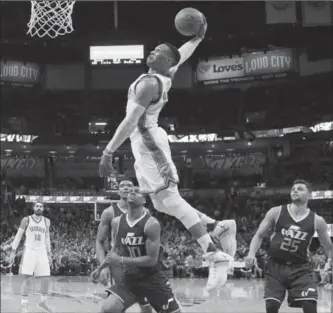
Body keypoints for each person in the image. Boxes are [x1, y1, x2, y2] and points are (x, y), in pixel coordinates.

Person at [98, 14, 235, 293]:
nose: (153, 51)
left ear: (166, 62)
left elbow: (129, 123)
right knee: (160, 204)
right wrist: (196, 39)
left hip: (148, 143)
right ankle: (218, 225)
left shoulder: (150, 84)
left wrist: (108, 151)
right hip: (144, 144)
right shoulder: (164, 74)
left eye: (159, 51)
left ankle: (213, 254)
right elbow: (180, 55)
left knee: (168, 199)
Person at [245, 180, 333, 313]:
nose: (295, 191)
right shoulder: (277, 211)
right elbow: (259, 235)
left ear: (309, 195)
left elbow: (329, 247)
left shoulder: (317, 221)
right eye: (293, 189)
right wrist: (251, 254)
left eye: (300, 189)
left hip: (301, 269)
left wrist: (330, 261)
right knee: (272, 306)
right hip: (276, 267)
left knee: (310, 305)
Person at [91, 186, 181, 313]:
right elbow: (115, 250)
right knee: (108, 308)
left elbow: (151, 260)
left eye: (137, 191)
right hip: (130, 279)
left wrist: (121, 260)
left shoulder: (151, 224)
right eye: (131, 191)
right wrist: (101, 267)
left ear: (144, 200)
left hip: (152, 279)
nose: (132, 191)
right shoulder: (117, 222)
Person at [95, 179, 153, 313]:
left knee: (145, 303)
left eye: (129, 186)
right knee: (114, 306)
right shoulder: (109, 212)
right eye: (122, 186)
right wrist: (103, 266)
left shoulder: (145, 212)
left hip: (139, 263)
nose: (126, 188)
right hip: (118, 264)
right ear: (118, 191)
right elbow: (99, 241)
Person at [9, 202, 54, 313]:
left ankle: (43, 302)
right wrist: (13, 252)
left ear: (43, 208)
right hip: (30, 250)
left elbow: (47, 238)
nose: (39, 208)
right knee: (27, 277)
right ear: (33, 208)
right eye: (37, 206)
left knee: (46, 278)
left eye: (41, 206)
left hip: (42, 251)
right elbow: (18, 235)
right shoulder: (26, 219)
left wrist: (49, 254)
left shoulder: (47, 221)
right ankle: (24, 304)